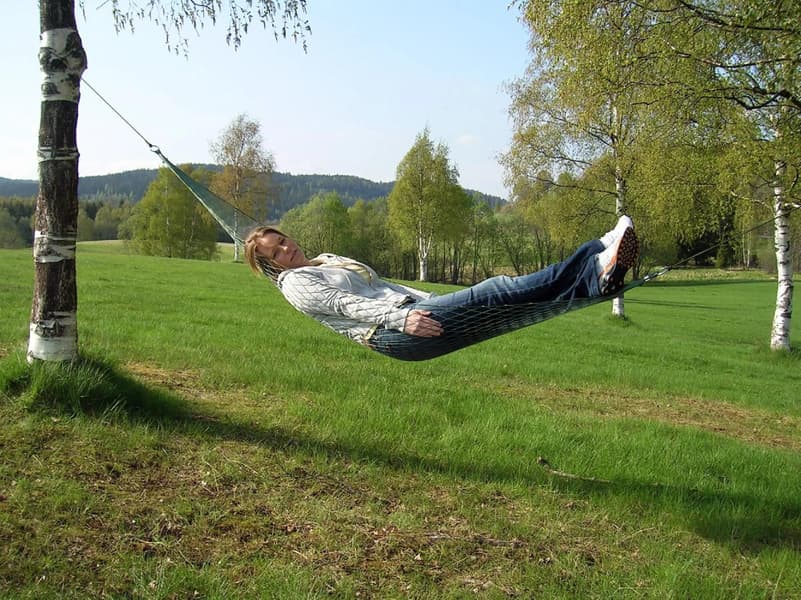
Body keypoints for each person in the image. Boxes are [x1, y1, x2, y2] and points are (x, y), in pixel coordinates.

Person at [243, 216, 639, 361]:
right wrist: (404, 319)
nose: (285, 248)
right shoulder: (295, 283)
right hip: (395, 332)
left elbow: (382, 286)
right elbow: (349, 306)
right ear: (267, 263)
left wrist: (428, 299)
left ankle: (597, 268)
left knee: (510, 302)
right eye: (274, 251)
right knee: (498, 289)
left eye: (282, 239)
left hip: (413, 310)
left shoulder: (324, 259)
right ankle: (594, 261)